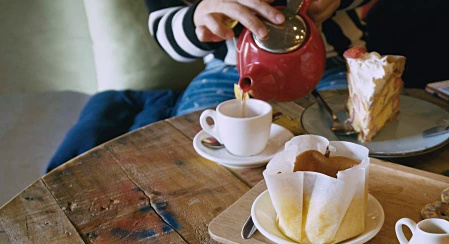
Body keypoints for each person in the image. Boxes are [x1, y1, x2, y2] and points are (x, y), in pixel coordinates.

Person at [46, 0, 373, 171]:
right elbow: (163, 26)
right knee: (191, 147)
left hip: (330, 61)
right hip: (227, 68)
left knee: (358, 141)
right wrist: (197, 18)